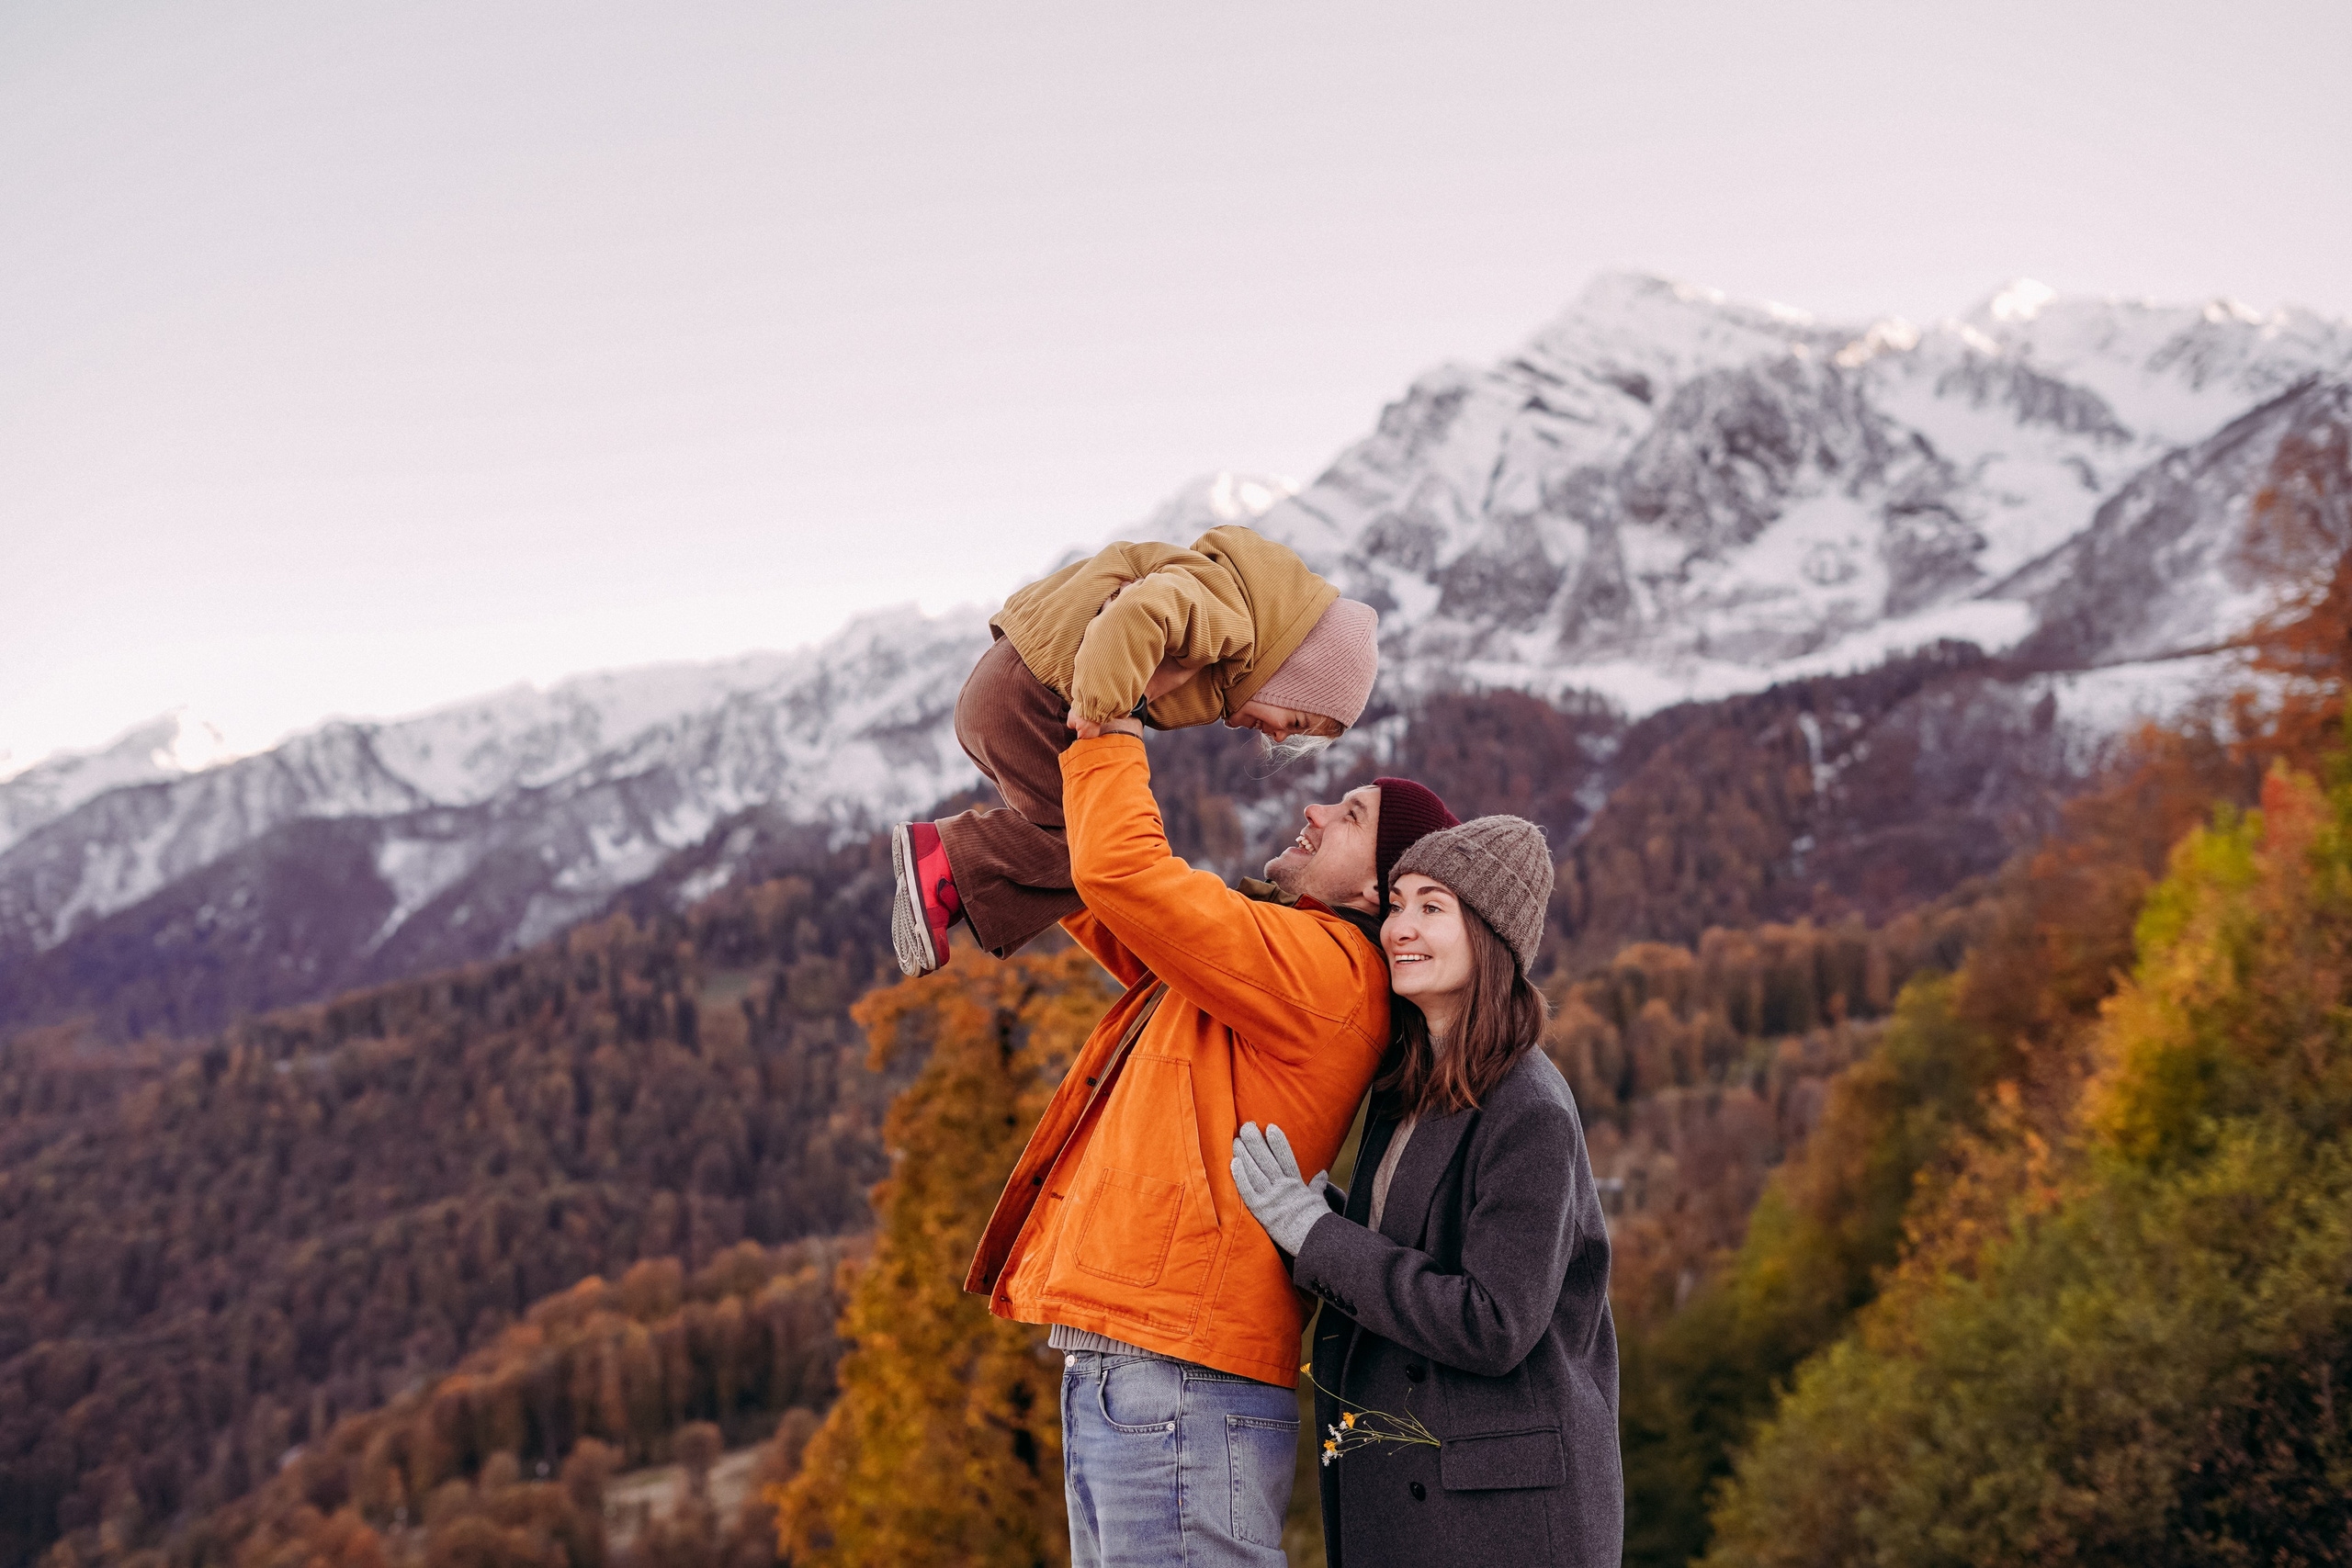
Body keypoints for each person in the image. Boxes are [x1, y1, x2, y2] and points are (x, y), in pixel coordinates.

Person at [962, 713, 1456, 1568]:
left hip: (1176, 1377)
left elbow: (1129, 874)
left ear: (1379, 892)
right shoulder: (1286, 967)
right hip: (1148, 1371)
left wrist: (1110, 725)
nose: (1314, 810)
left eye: (1350, 815)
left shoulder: (1329, 968)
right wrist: (1046, 766)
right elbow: (1118, 901)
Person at [1230, 816, 1623, 1567]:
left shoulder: (1530, 1108)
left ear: (1493, 937)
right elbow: (1411, 1253)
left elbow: (1494, 1322)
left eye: (1432, 908)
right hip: (1409, 1495)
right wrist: (1314, 1215)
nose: (1400, 927)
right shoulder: (1411, 1083)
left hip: (1501, 1521)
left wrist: (1315, 1232)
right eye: (1398, 901)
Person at [888, 524, 1380, 976]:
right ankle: (941, 860)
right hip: (1030, 698)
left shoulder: (1230, 632)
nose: (1278, 737)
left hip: (1017, 690)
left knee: (1086, 847)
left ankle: (948, 886)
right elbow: (1135, 614)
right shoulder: (1229, 616)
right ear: (1288, 669)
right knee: (1094, 846)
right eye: (1293, 722)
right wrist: (1109, 706)